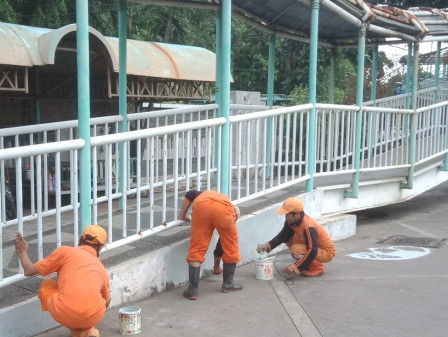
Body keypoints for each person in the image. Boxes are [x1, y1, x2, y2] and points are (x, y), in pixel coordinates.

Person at [15, 225, 111, 337]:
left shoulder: (65, 252)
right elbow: (107, 301)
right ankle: (88, 331)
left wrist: (22, 253)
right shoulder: (101, 268)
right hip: (92, 317)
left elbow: (29, 270)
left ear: (80, 239)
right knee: (91, 301)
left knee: (47, 284)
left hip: (65, 313)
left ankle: (78, 330)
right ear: (100, 247)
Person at [178, 189, 243, 300]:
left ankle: (192, 290)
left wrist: (182, 215)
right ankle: (228, 284)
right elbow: (224, 243)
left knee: (197, 249)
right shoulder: (228, 205)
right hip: (222, 211)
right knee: (231, 246)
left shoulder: (200, 194)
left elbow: (189, 194)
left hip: (201, 208)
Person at [257, 197, 336, 277]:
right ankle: (308, 264)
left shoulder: (308, 227)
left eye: (287, 214)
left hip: (326, 252)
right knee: (289, 239)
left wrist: (296, 267)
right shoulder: (291, 221)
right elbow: (283, 236)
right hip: (314, 247)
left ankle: (317, 268)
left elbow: (312, 250)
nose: (286, 217)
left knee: (296, 250)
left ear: (297, 214)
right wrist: (268, 245)